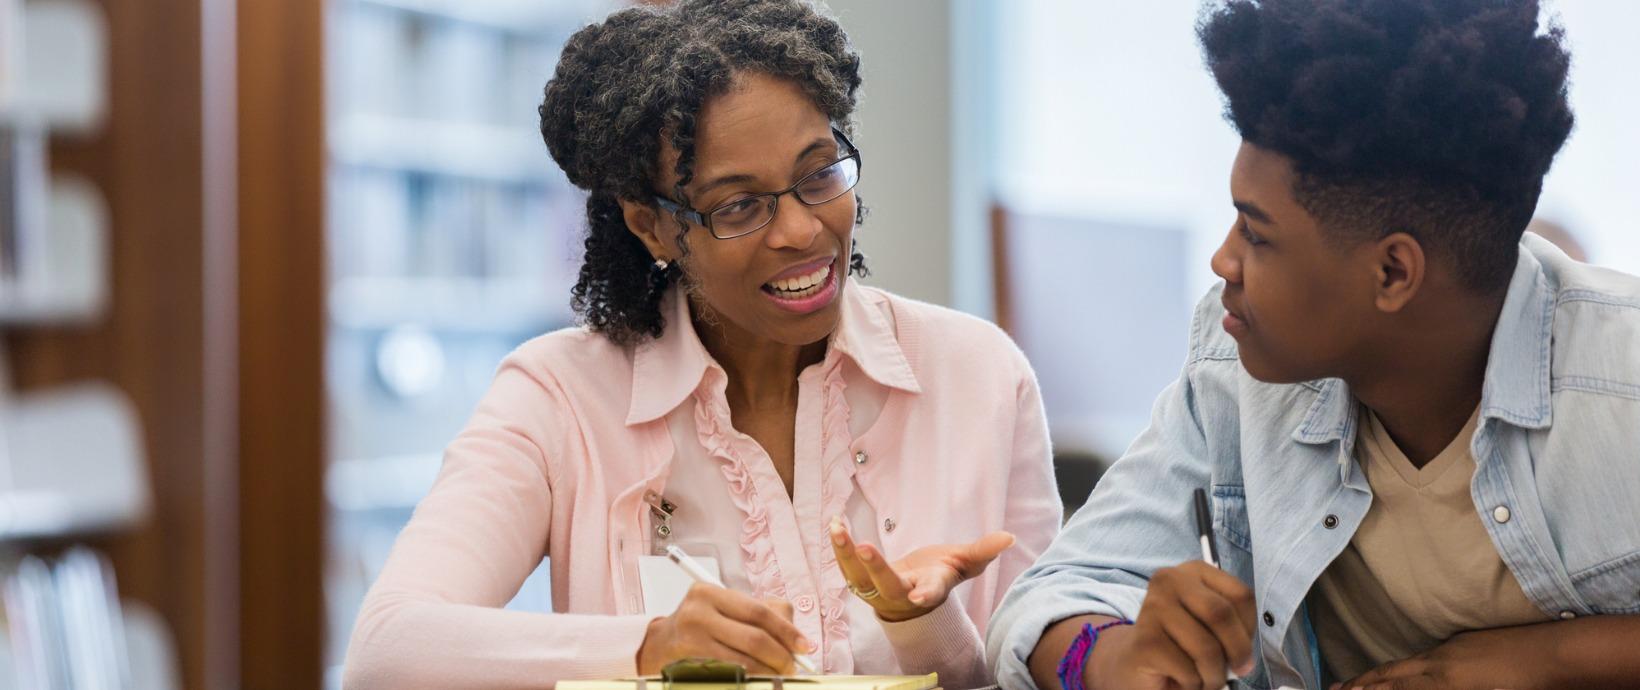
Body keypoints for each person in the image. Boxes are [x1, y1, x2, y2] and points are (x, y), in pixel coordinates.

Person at [342, 2, 1061, 688]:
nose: (802, 231)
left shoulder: (978, 375)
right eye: (739, 205)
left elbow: (1039, 669)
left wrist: (921, 622)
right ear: (652, 227)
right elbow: (388, 653)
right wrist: (650, 646)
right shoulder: (558, 397)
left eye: (818, 174)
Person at [988, 1, 1640, 688]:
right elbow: (1050, 598)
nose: (1222, 261)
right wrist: (1112, 656)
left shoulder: (1621, 387)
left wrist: (1544, 662)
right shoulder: (1233, 366)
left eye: (1257, 234)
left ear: (1392, 272)